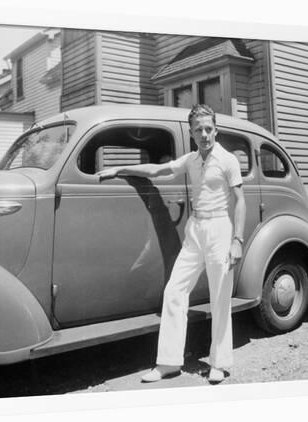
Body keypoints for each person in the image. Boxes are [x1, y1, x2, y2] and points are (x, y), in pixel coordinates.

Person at [97, 104, 246, 383]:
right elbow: (157, 170)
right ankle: (168, 362)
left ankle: (220, 363)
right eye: (199, 130)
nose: (204, 135)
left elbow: (240, 202)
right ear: (191, 133)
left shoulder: (228, 160)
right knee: (175, 291)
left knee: (220, 297)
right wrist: (119, 168)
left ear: (216, 130)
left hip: (220, 230)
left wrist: (237, 240)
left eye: (209, 129)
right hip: (196, 230)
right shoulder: (190, 160)